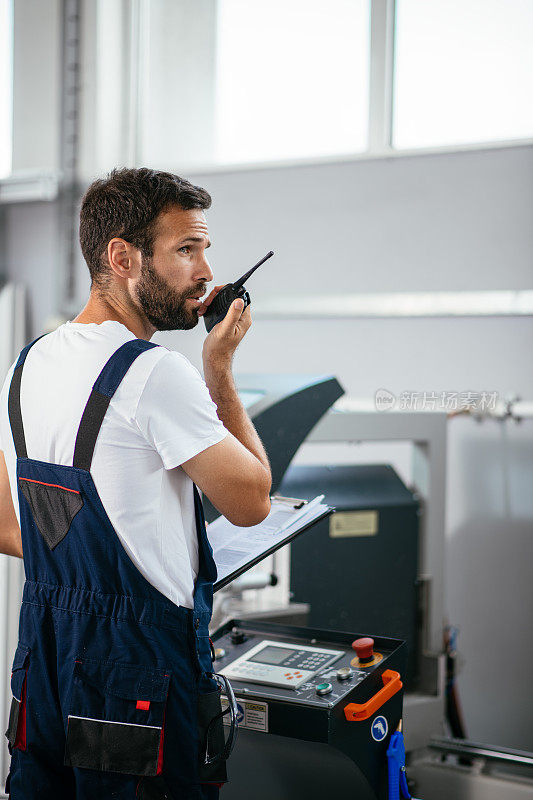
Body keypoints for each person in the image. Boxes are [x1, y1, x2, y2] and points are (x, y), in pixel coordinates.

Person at [0, 167, 272, 799]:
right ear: (121, 257)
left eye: (205, 248)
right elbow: (252, 502)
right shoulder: (156, 373)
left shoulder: (25, 364)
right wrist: (220, 371)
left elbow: (12, 530)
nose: (206, 271)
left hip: (43, 665)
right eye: (185, 249)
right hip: (138, 675)